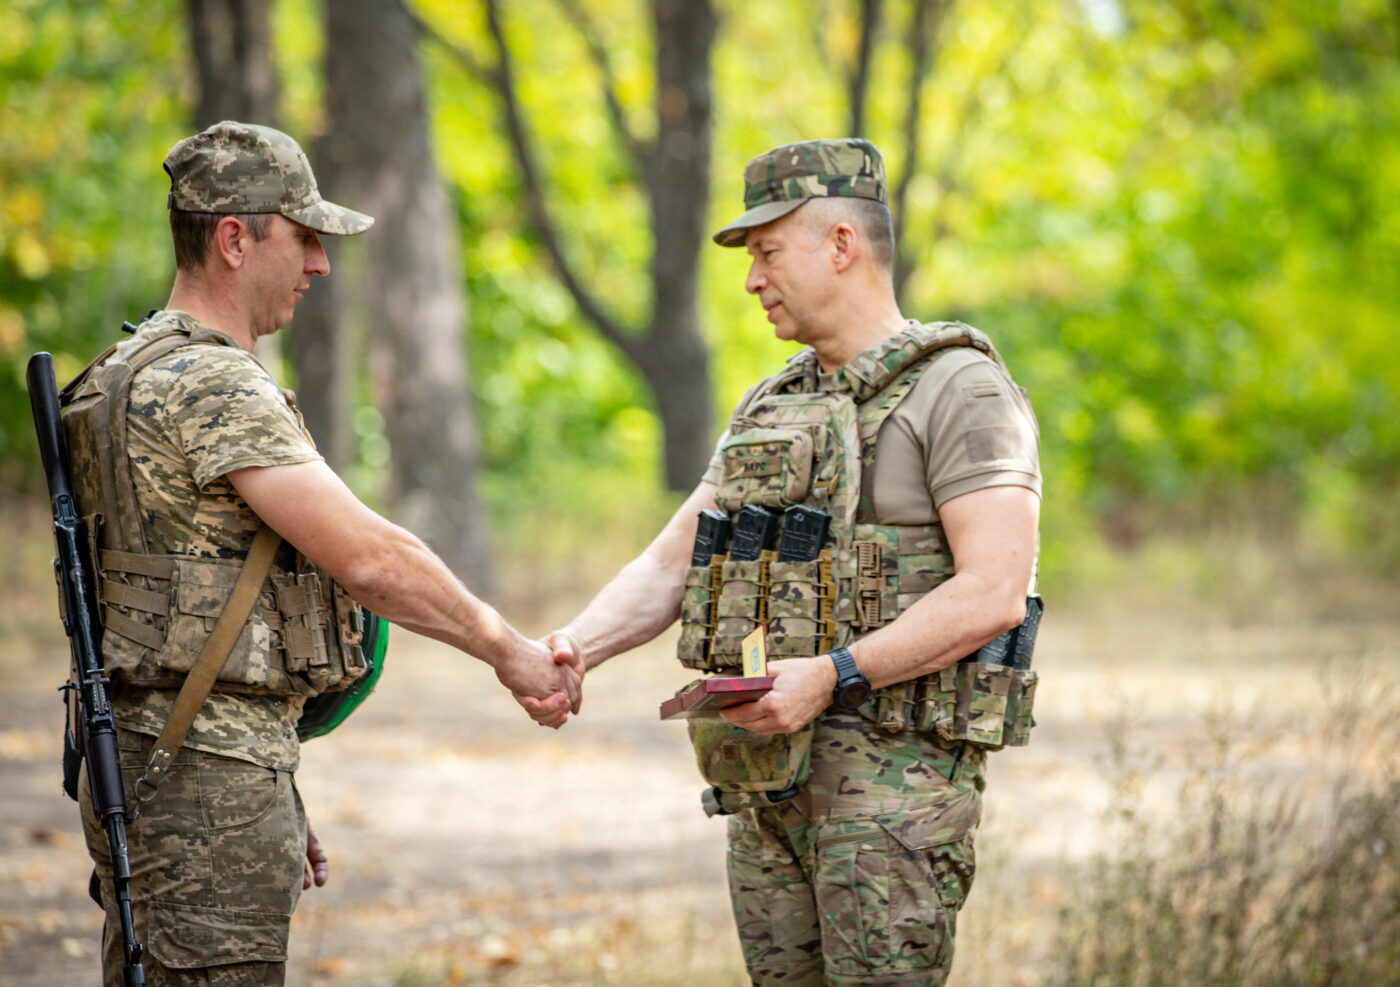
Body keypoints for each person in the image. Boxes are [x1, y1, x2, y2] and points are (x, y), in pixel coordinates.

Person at [66, 121, 581, 986]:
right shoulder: (212, 382)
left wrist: (264, 772)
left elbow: (172, 605)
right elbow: (371, 558)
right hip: (200, 776)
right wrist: (511, 651)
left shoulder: (118, 373)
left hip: (154, 757)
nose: (319, 264)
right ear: (234, 238)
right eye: (303, 237)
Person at [524, 138, 1042, 985]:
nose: (753, 277)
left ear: (841, 244)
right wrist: (575, 646)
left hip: (892, 799)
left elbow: (993, 592)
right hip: (766, 786)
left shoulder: (962, 389)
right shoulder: (773, 404)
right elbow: (674, 559)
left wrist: (832, 674)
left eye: (767, 251)